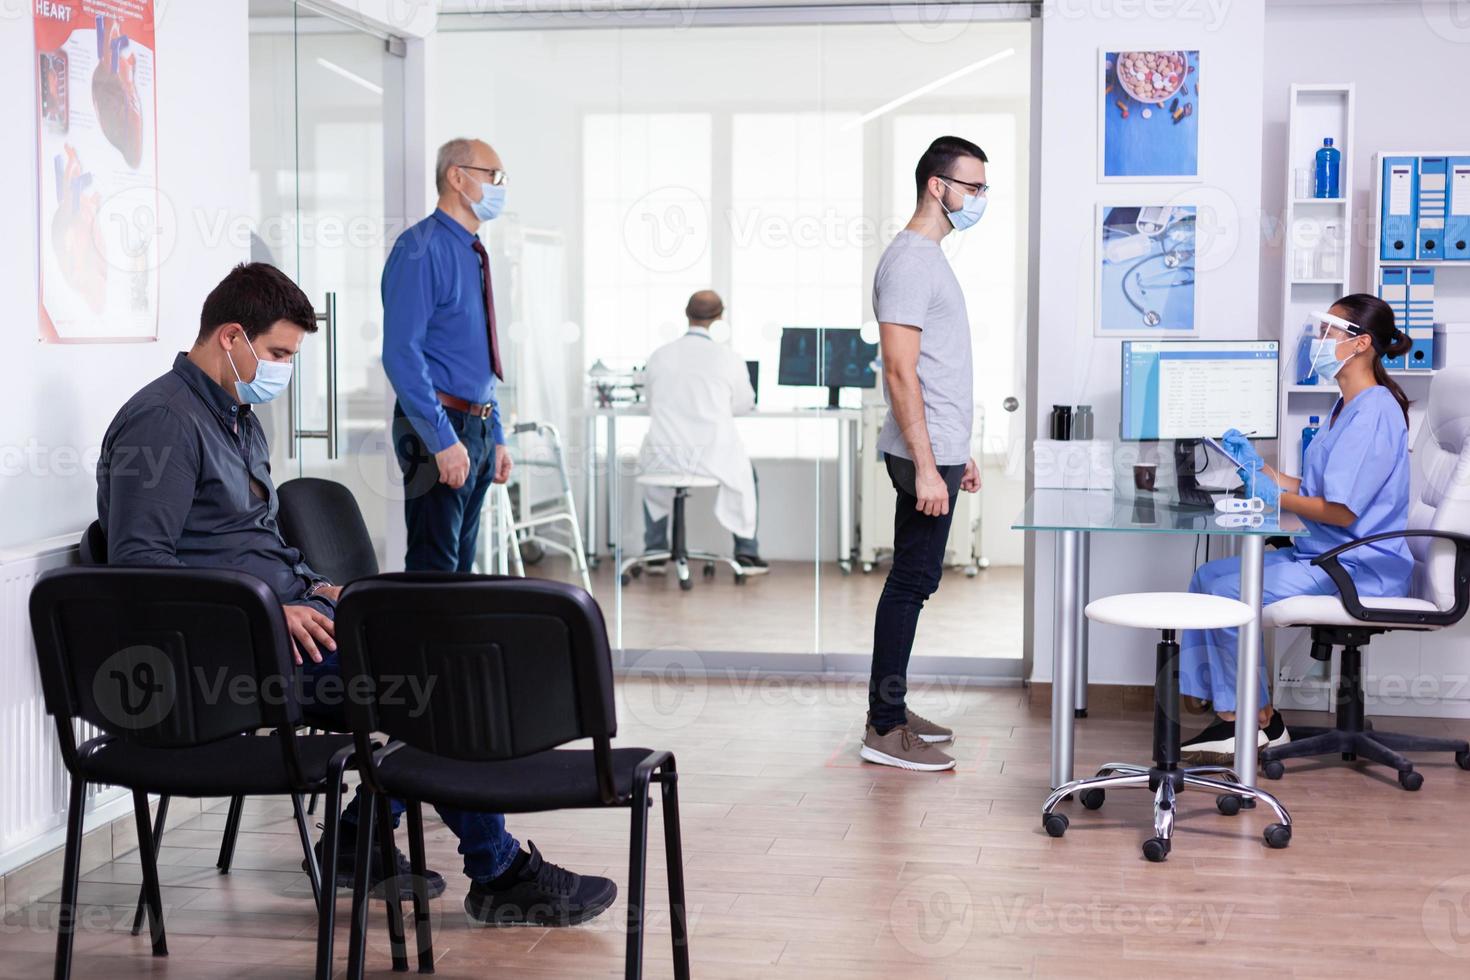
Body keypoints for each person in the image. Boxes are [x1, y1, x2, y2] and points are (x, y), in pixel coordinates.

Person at [97, 263, 617, 927]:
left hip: (292, 625)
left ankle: (359, 842)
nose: (283, 368)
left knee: (439, 645)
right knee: (431, 685)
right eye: (279, 353)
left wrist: (315, 587)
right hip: (233, 658)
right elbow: (137, 571)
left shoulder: (236, 418)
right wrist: (267, 610)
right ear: (232, 336)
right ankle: (495, 869)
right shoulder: (164, 424)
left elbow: (251, 543)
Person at [1180, 294, 1416, 760]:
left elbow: (1342, 512)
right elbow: (1313, 485)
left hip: (1356, 563)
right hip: (1325, 552)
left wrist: (1276, 498)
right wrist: (1257, 468)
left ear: (1361, 343)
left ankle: (1253, 720)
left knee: (1229, 593)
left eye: (1329, 331)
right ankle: (1239, 714)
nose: (1318, 340)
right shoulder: (1345, 406)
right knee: (1207, 578)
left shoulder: (1374, 412)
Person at [861, 136, 987, 772]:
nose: (978, 199)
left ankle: (894, 710)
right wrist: (929, 465)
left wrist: (956, 454)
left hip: (937, 451)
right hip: (919, 456)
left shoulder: (931, 258)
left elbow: (939, 369)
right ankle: (883, 726)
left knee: (918, 580)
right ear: (938, 185)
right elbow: (900, 372)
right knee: (910, 582)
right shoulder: (910, 260)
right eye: (972, 187)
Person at [382, 137, 513, 575]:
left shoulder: (473, 251)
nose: (498, 187)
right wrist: (442, 440)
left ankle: (454, 647)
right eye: (492, 176)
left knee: (459, 568)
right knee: (433, 569)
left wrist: (495, 434)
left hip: (474, 425)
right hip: (436, 424)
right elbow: (402, 354)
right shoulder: (420, 249)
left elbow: (477, 355)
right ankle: (420, 647)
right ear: (457, 177)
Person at [637, 290, 768, 573]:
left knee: (654, 477)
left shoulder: (659, 356)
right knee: (747, 474)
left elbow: (650, 401)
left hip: (665, 455)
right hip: (713, 457)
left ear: (686, 313)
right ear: (720, 316)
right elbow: (744, 404)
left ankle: (655, 551)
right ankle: (746, 553)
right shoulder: (728, 357)